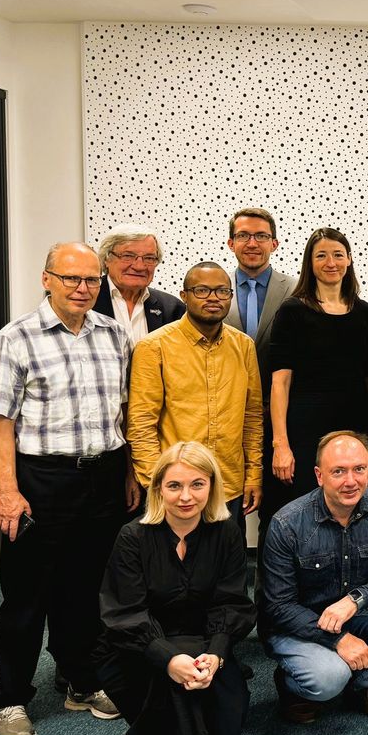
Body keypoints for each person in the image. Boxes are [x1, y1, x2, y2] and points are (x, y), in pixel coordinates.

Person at [0, 242, 134, 735]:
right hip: (41, 480)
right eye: (71, 278)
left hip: (104, 475)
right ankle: (9, 698)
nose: (82, 288)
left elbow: (122, 413)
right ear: (47, 279)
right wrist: (7, 491)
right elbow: (0, 424)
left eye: (91, 279)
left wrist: (128, 473)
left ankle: (80, 679)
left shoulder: (114, 334)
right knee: (27, 593)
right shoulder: (17, 337)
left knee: (87, 588)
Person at [97, 441, 256, 735]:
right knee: (166, 732)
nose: (186, 496)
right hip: (141, 648)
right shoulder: (133, 536)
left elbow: (231, 602)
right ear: (158, 489)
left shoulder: (226, 532)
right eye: (174, 485)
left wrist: (217, 655)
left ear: (212, 487)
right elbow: (126, 612)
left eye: (197, 484)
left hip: (203, 642)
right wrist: (169, 659)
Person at [261, 431, 368, 723]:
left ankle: (364, 685)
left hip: (351, 615)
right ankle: (291, 685)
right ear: (319, 476)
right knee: (329, 678)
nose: (350, 481)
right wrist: (339, 640)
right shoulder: (287, 524)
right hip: (296, 626)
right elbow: (278, 608)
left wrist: (357, 599)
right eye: (338, 471)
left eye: (359, 469)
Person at [264, 228, 368, 536]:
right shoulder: (292, 311)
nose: (331, 263)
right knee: (301, 515)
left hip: (357, 426)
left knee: (353, 513)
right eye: (321, 256)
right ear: (310, 262)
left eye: (338, 255)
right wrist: (280, 444)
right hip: (304, 431)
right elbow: (280, 384)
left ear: (349, 259)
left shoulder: (366, 313)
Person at [127, 263, 262, 517]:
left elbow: (252, 417)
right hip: (177, 491)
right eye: (202, 290)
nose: (213, 298)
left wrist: (254, 474)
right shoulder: (154, 347)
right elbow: (141, 425)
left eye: (222, 291)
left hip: (228, 486)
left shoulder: (244, 346)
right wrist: (156, 484)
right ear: (184, 296)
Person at [91, 225, 185, 344]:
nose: (139, 266)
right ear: (106, 259)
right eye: (128, 256)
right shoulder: (85, 299)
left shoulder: (173, 309)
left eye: (149, 258)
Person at [223, 207, 294, 351]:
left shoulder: (297, 289)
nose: (252, 244)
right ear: (231, 244)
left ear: (274, 244)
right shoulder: (214, 290)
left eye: (261, 236)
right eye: (243, 235)